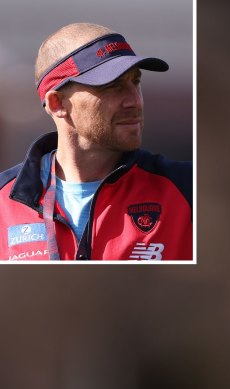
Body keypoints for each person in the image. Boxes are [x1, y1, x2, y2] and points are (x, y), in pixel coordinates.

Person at [0, 23, 192, 261]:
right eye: (112, 85)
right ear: (57, 103)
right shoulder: (3, 202)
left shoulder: (189, 190)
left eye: (136, 82)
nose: (135, 100)